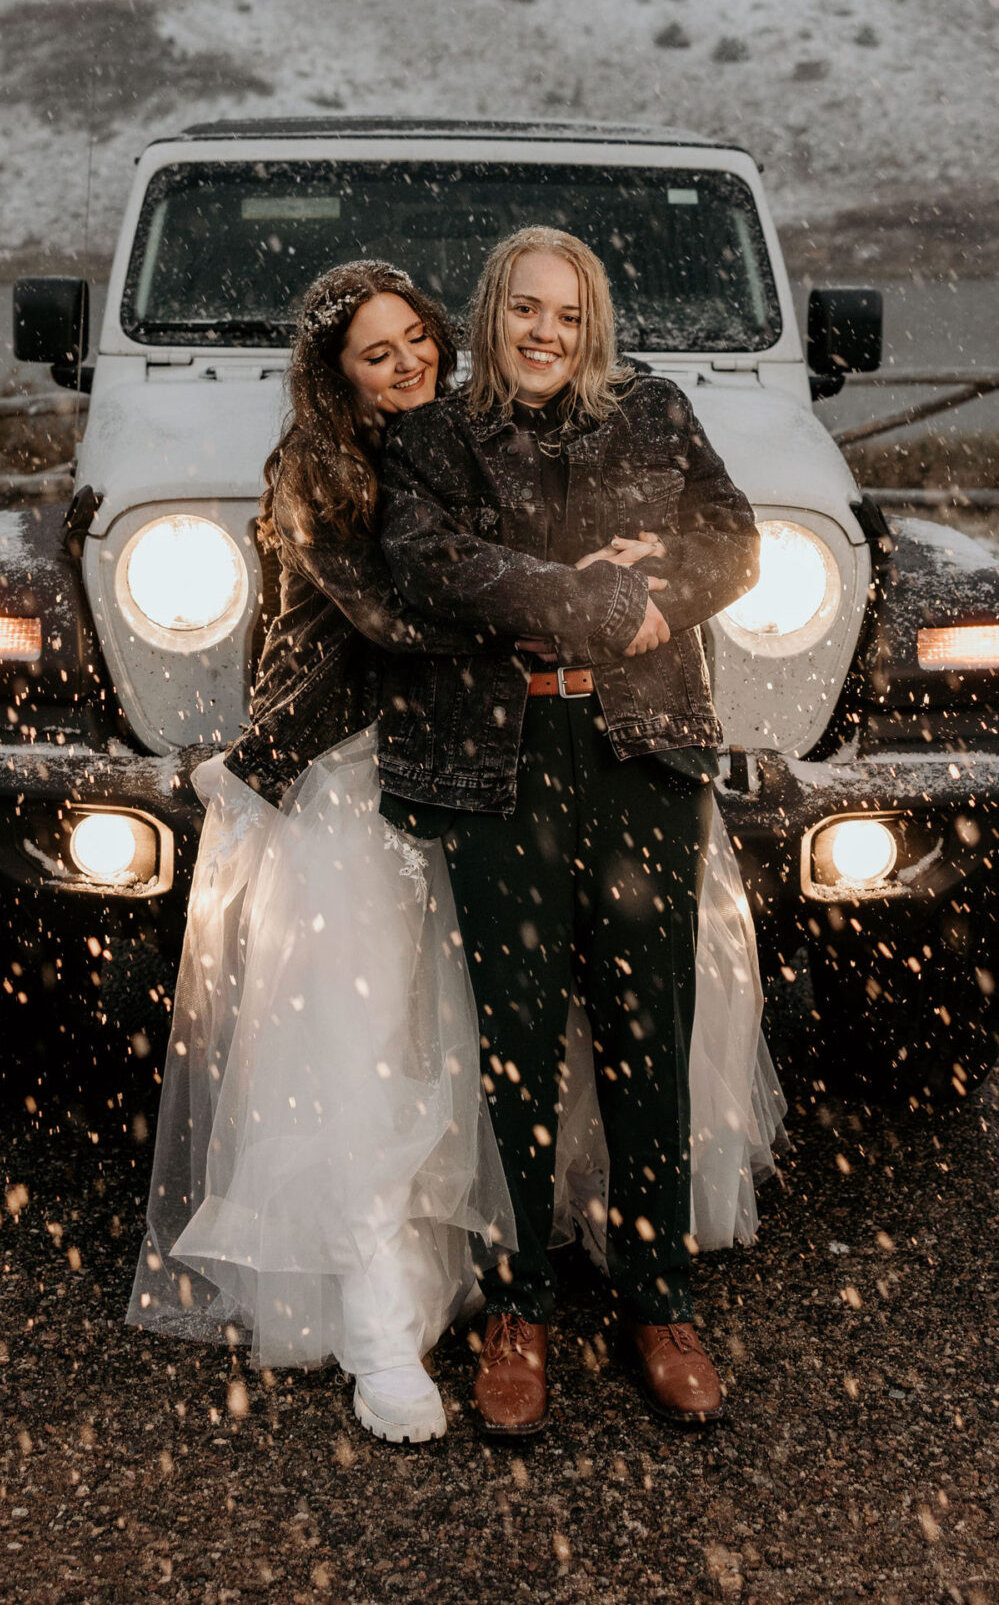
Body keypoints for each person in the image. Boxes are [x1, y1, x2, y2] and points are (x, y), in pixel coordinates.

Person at [375, 224, 769, 1435]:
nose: (545, 332)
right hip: (505, 762)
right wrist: (595, 594)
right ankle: (519, 1305)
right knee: (516, 1030)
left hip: (643, 750)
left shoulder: (653, 414)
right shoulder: (434, 439)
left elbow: (734, 540)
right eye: (525, 309)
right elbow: (427, 564)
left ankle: (659, 1299)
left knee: (651, 1023)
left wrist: (656, 598)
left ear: (593, 325)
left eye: (570, 313)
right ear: (490, 313)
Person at [128, 261, 508, 1445]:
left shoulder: (457, 445)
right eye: (375, 351)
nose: (407, 363)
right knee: (350, 1058)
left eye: (417, 340)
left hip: (448, 776)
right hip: (338, 779)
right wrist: (545, 596)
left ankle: (416, 1291)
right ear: (333, 374)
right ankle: (383, 1341)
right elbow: (390, 623)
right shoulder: (313, 467)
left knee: (436, 1049)